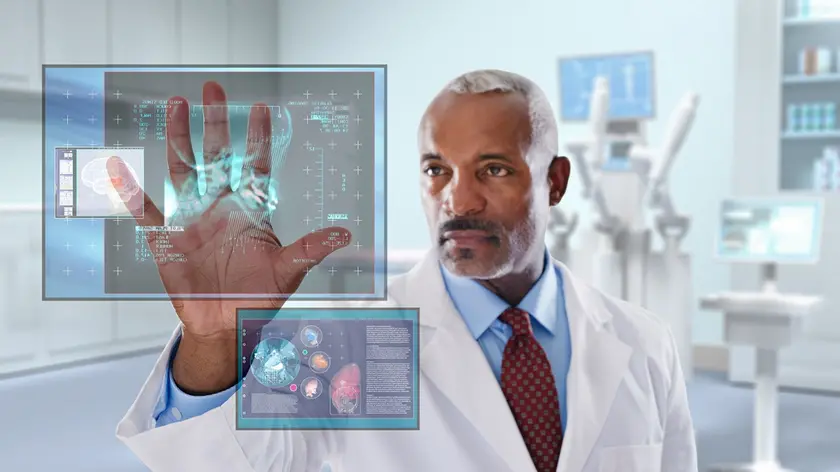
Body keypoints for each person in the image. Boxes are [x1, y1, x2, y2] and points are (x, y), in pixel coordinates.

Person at [113, 70, 698, 472]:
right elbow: (232, 461)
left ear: (555, 182)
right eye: (437, 170)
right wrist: (213, 345)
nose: (458, 199)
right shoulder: (362, 347)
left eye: (492, 170)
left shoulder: (643, 342)